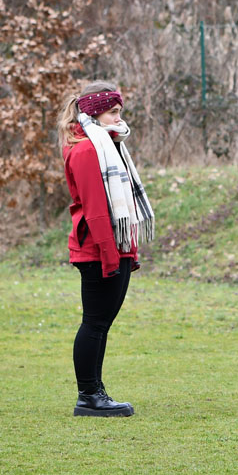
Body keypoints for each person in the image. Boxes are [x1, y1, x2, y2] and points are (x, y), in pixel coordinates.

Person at [60, 81, 155, 417]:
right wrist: (112, 256)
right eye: (113, 112)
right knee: (95, 323)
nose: (119, 118)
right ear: (94, 112)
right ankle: (89, 396)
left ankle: (95, 392)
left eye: (120, 112)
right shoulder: (87, 150)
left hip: (113, 248)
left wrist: (128, 250)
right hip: (97, 250)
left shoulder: (106, 145)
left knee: (101, 323)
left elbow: (121, 205)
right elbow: (97, 210)